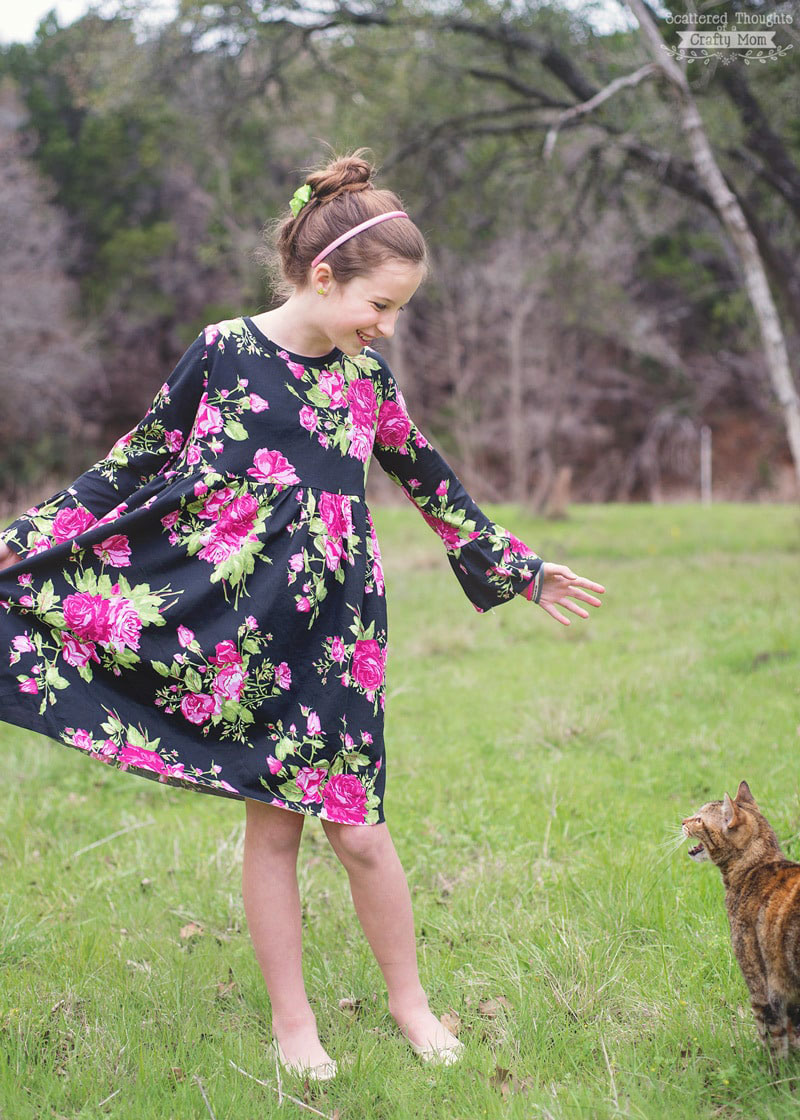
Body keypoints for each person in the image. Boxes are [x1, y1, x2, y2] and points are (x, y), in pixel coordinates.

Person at [0, 149, 604, 1080]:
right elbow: (133, 460)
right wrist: (31, 533)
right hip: (240, 623)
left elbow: (430, 481)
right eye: (380, 305)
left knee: (359, 828)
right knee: (274, 823)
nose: (389, 327)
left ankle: (411, 1004)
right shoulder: (226, 352)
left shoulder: (368, 384)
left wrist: (517, 568)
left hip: (340, 630)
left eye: (399, 309)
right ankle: (295, 1025)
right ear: (324, 277)